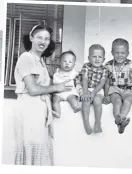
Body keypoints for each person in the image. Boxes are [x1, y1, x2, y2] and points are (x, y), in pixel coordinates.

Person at [13, 24, 72, 165]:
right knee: (31, 152)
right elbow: (33, 89)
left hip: (39, 111)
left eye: (46, 39)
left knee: (40, 152)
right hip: (28, 110)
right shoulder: (26, 57)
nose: (43, 42)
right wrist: (57, 87)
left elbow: (44, 88)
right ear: (31, 38)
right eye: (39, 37)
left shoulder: (40, 61)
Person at [103, 38, 132, 134]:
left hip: (127, 89)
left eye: (122, 53)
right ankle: (118, 119)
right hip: (114, 89)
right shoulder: (108, 66)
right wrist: (106, 96)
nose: (119, 55)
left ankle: (121, 119)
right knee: (117, 101)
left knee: (128, 100)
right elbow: (106, 83)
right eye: (117, 53)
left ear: (127, 53)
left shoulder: (131, 65)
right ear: (112, 52)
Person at [79, 44, 108, 135]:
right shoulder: (86, 66)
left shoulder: (105, 69)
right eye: (94, 57)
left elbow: (102, 83)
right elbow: (85, 79)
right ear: (89, 58)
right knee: (86, 101)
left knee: (97, 101)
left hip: (98, 90)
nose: (97, 59)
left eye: (100, 57)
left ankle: (97, 123)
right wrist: (85, 92)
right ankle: (87, 124)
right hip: (86, 87)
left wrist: (94, 93)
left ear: (103, 59)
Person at [52, 50, 82, 118]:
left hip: (70, 92)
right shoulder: (57, 71)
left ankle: (75, 107)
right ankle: (57, 113)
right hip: (59, 93)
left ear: (74, 65)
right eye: (64, 61)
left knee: (72, 98)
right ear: (60, 62)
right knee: (55, 100)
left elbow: (81, 76)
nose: (67, 63)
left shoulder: (74, 72)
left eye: (70, 62)